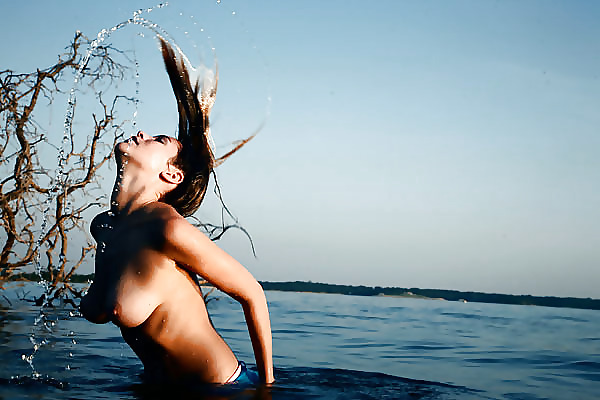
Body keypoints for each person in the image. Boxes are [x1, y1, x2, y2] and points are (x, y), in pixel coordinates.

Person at [79, 38, 274, 386]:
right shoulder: (105, 228)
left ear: (171, 174)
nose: (141, 133)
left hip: (223, 390)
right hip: (157, 389)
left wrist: (268, 388)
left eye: (158, 139)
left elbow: (252, 293)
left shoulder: (165, 227)